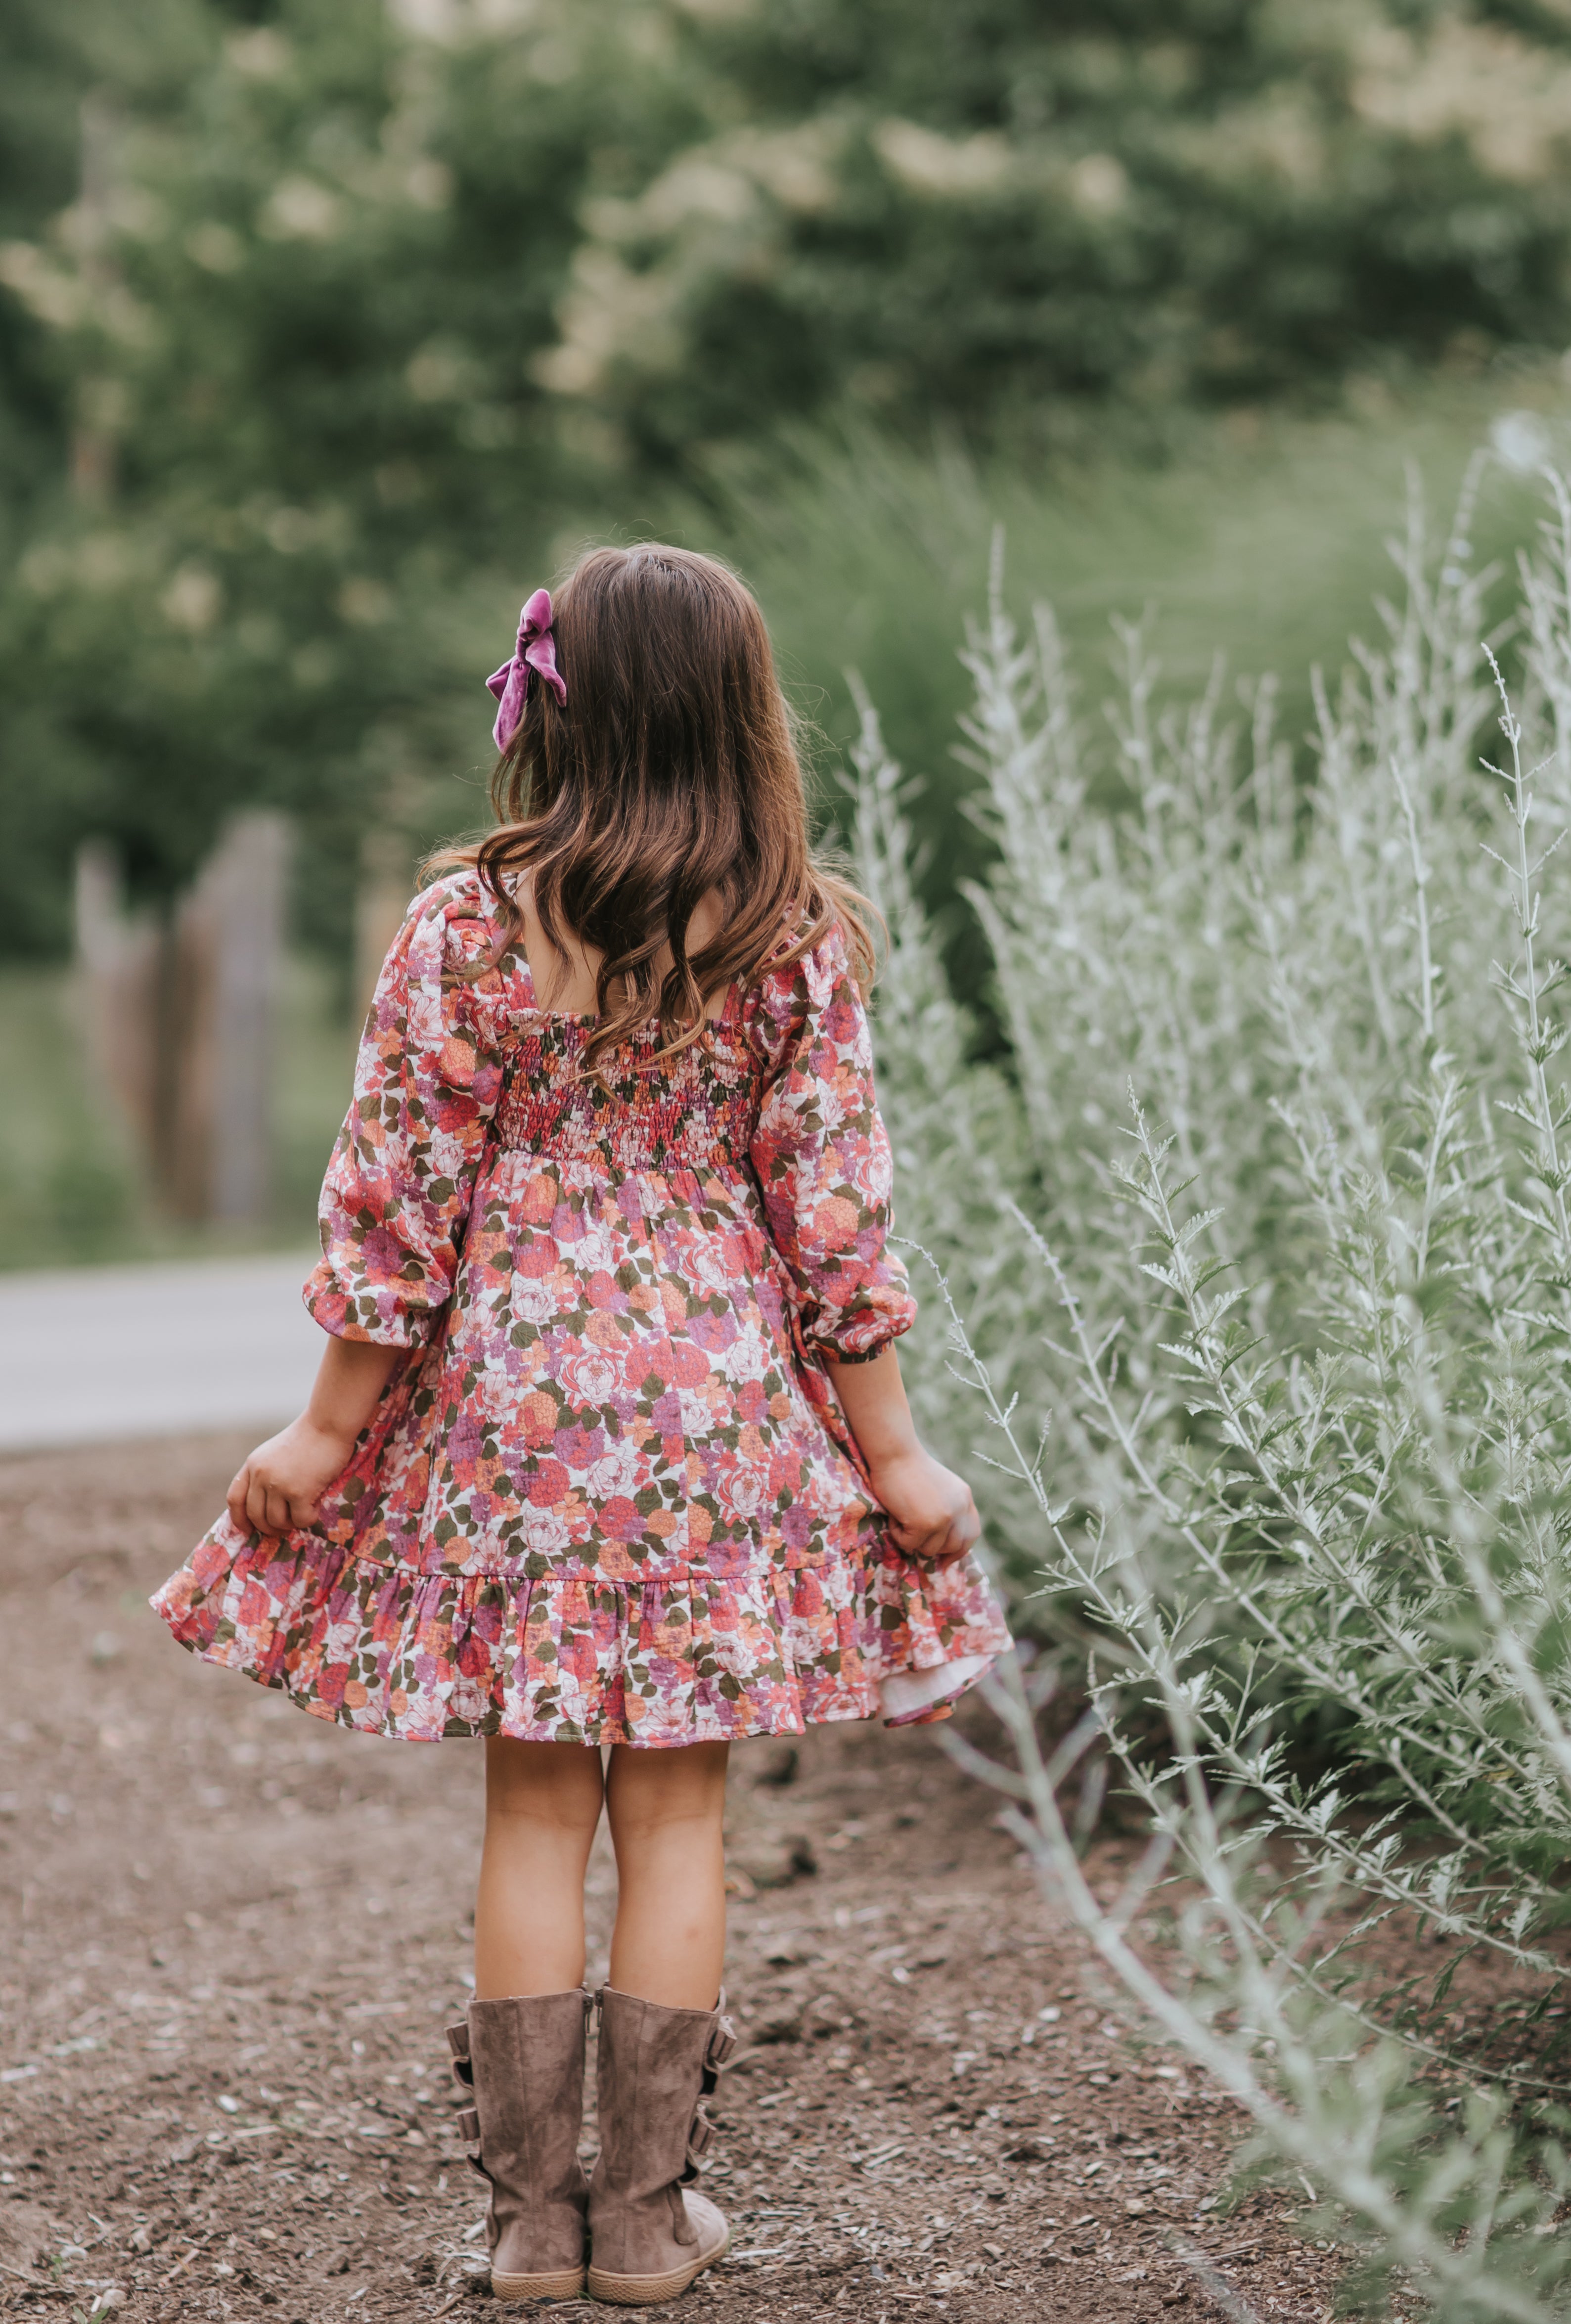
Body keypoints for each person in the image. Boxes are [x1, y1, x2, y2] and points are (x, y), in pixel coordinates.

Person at [152, 545, 1009, 2307]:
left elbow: (397, 1198)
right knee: (677, 1818)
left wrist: (323, 1433)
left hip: (517, 1412)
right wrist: (899, 1452)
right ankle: (647, 2222)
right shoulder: (792, 935)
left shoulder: (470, 921)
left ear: (555, 703)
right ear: (737, 712)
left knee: (536, 1811)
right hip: (713, 1411)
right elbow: (832, 1222)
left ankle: (530, 2221)